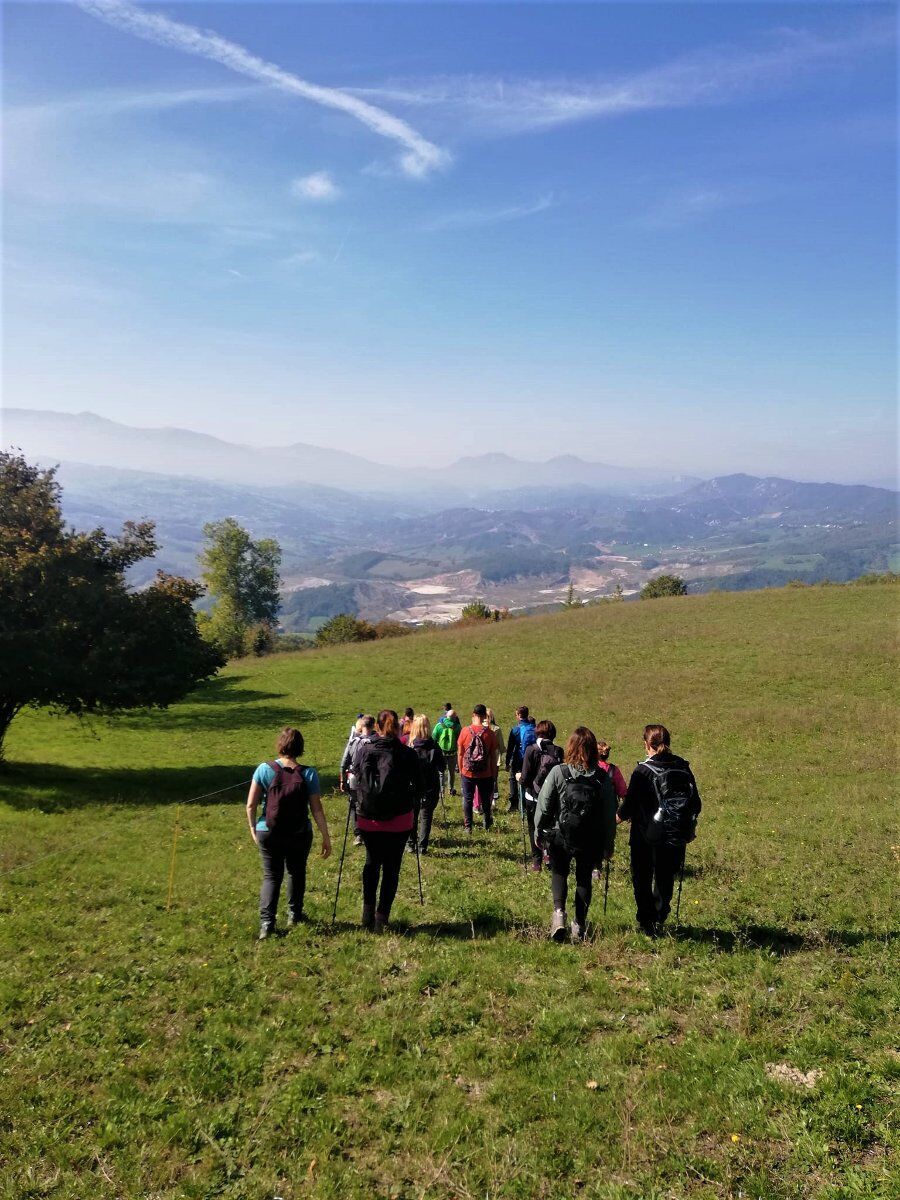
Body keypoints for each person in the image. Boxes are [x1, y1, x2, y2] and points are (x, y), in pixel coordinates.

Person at [246, 726, 332, 940]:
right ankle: (294, 915)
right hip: (299, 832)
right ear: (300, 748)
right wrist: (325, 836)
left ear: (280, 744)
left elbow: (250, 805)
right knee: (296, 872)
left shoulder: (263, 769)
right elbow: (317, 809)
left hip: (268, 830)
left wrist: (253, 828)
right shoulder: (308, 773)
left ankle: (267, 923)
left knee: (271, 876)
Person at [618, 724, 702, 937]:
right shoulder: (683, 766)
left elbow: (628, 807)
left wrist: (612, 821)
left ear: (647, 745)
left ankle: (647, 921)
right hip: (675, 833)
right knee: (666, 876)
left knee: (642, 877)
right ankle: (660, 913)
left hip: (644, 834)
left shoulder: (642, 771)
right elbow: (696, 803)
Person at [535, 727, 617, 942]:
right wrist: (608, 844)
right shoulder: (602, 778)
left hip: (561, 833)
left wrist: (538, 831)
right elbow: (610, 814)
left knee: (559, 872)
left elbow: (543, 805)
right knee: (584, 879)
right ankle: (579, 924)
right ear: (593, 750)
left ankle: (559, 915)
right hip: (590, 838)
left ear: (570, 746)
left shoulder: (559, 772)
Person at [353, 709, 422, 932]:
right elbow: (420, 786)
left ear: (378, 727)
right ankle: (382, 916)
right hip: (399, 819)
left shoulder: (365, 750)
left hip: (368, 818)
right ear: (399, 728)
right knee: (392, 868)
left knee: (371, 863)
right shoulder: (408, 754)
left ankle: (367, 912)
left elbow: (354, 779)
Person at [520, 719, 563, 871]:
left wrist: (521, 780)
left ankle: (536, 862)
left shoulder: (531, 750)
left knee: (533, 828)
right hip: (552, 797)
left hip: (532, 796)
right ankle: (549, 856)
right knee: (550, 827)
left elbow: (525, 778)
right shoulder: (558, 751)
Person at [457, 704, 498, 832]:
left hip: (467, 772)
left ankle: (468, 826)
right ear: (485, 716)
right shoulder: (490, 734)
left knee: (467, 799)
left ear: (473, 714)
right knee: (486, 799)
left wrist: (461, 769)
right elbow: (493, 756)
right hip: (485, 772)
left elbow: (460, 754)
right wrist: (493, 773)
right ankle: (487, 823)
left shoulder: (464, 731)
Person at [407, 713, 444, 853]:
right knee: (426, 816)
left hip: (413, 787)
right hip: (431, 786)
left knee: (412, 816)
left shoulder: (410, 747)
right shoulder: (434, 746)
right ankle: (423, 846)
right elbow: (442, 766)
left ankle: (411, 844)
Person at [592, 739, 628, 880]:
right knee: (606, 838)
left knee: (592, 838)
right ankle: (602, 860)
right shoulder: (613, 770)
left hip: (591, 810)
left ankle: (594, 867)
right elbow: (624, 792)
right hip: (609, 812)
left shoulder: (589, 768)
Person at [340, 714, 374, 847]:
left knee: (354, 805)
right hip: (370, 780)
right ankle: (369, 831)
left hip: (354, 778)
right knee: (369, 804)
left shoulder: (353, 742)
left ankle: (358, 834)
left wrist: (343, 780)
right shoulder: (375, 742)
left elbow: (343, 763)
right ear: (373, 726)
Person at [505, 705, 537, 813]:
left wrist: (507, 762)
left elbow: (510, 748)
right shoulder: (534, 729)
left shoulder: (515, 730)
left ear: (519, 715)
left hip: (518, 758)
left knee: (513, 779)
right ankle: (526, 803)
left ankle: (514, 803)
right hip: (531, 759)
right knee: (527, 780)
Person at [433, 706, 462, 797]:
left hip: (441, 752)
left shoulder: (439, 725)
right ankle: (451, 789)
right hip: (453, 752)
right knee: (451, 771)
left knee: (441, 772)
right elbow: (460, 740)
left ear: (446, 716)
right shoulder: (457, 727)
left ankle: (442, 791)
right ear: (455, 717)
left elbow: (434, 738)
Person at [485, 707, 506, 807]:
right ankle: (494, 796)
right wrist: (503, 751)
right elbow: (500, 743)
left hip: (484, 755)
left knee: (485, 777)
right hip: (494, 755)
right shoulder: (496, 729)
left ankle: (485, 796)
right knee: (494, 777)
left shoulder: (481, 727)